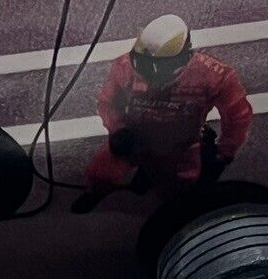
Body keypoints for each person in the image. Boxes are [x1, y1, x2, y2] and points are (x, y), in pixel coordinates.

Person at [72, 15, 251, 214]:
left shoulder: (215, 76)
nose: (150, 72)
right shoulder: (124, 67)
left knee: (179, 193)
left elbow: (238, 116)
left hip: (180, 148)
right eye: (144, 63)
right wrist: (118, 130)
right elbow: (107, 102)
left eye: (160, 66)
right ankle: (96, 192)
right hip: (135, 139)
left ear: (185, 56)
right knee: (98, 173)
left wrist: (225, 151)